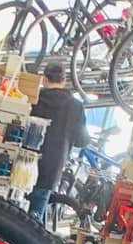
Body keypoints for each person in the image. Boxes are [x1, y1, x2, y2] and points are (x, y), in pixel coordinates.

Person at [28, 59, 90, 225]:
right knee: (34, 220)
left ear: (44, 79)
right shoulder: (76, 106)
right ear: (64, 80)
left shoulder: (33, 99)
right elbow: (82, 141)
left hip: (23, 164)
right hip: (52, 168)